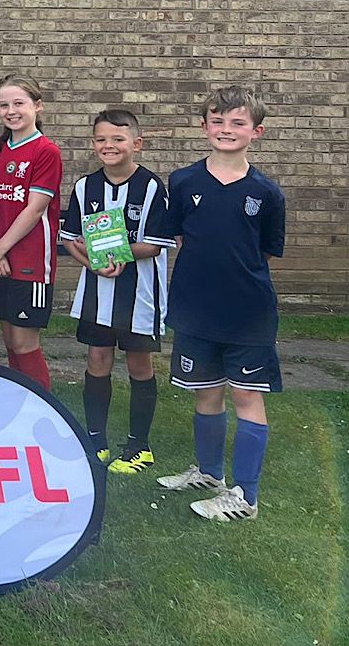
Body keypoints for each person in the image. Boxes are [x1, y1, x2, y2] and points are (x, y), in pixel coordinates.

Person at [155, 86, 285, 522]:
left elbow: (264, 252)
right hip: (195, 308)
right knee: (205, 394)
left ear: (257, 131)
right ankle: (209, 474)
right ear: (204, 126)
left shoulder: (267, 193)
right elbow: (177, 236)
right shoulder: (184, 180)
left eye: (237, 122)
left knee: (247, 397)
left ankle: (244, 497)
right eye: (218, 121)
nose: (226, 130)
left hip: (248, 313)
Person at [60, 109, 174, 473]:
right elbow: (71, 239)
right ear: (94, 144)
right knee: (97, 360)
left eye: (118, 139)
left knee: (139, 363)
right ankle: (96, 439)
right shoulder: (85, 187)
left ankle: (139, 446)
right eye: (101, 139)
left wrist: (117, 255)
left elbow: (156, 244)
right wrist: (91, 263)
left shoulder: (152, 187)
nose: (109, 145)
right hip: (98, 292)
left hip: (140, 295)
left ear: (136, 144)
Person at [0, 74, 62, 389]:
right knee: (11, 342)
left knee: (26, 343)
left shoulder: (46, 151)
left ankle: (43, 410)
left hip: (30, 263)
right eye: (4, 105)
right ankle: (18, 406)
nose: (11, 111)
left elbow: (35, 209)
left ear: (37, 106)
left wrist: (0, 249)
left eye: (19, 103)